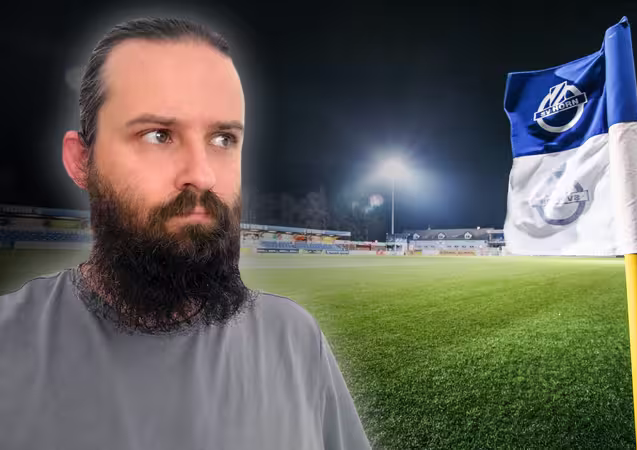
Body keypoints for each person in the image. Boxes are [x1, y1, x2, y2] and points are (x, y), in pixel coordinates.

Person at [0, 17, 370, 450]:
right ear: (82, 161)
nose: (202, 175)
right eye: (159, 135)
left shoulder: (295, 340)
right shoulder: (9, 342)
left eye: (223, 139)